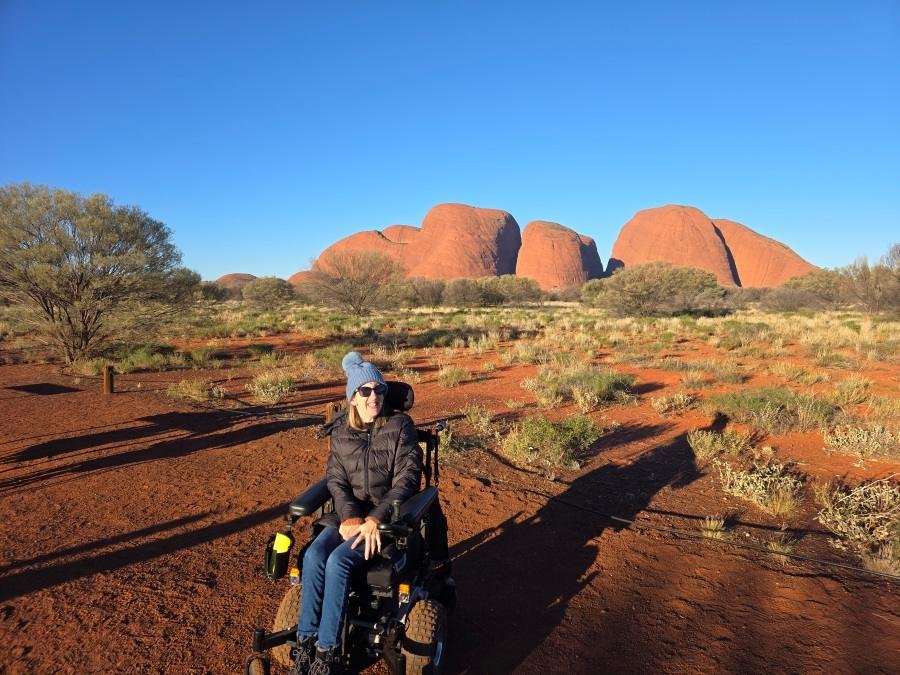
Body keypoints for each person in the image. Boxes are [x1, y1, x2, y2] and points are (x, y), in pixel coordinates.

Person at [291, 351, 422, 675]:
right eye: (365, 391)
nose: (374, 396)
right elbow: (335, 480)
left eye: (379, 389)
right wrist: (349, 516)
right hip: (347, 516)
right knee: (313, 556)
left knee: (337, 561)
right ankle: (305, 643)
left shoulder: (400, 425)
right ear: (353, 397)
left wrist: (375, 519)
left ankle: (326, 651)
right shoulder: (342, 433)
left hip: (385, 517)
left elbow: (408, 479)